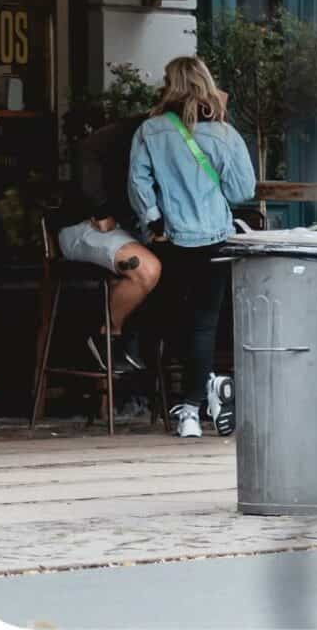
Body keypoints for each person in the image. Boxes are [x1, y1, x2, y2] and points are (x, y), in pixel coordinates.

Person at [128, 56, 256, 438]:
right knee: (204, 324)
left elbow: (138, 184)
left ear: (170, 85)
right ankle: (195, 406)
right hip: (215, 237)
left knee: (173, 321)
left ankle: (195, 398)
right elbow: (242, 190)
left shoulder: (149, 131)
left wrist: (154, 222)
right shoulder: (225, 134)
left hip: (170, 239)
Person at [57, 114, 162, 375]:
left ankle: (137, 341)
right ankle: (107, 336)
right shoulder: (134, 129)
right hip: (86, 225)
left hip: (130, 231)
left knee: (182, 268)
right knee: (146, 268)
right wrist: (100, 209)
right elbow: (87, 149)